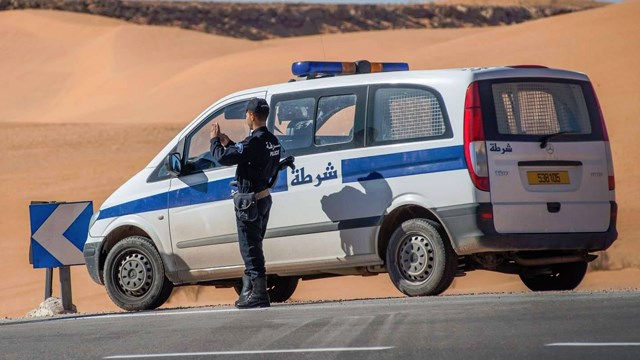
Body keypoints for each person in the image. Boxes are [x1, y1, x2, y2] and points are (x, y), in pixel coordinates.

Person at [209, 97, 281, 309]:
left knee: (250, 249)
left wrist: (214, 141)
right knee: (254, 246)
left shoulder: (254, 142)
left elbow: (223, 158)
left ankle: (259, 294)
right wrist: (229, 143)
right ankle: (248, 292)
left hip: (249, 203)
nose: (245, 118)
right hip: (264, 198)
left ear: (251, 116)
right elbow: (247, 156)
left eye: (245, 115)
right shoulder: (271, 141)